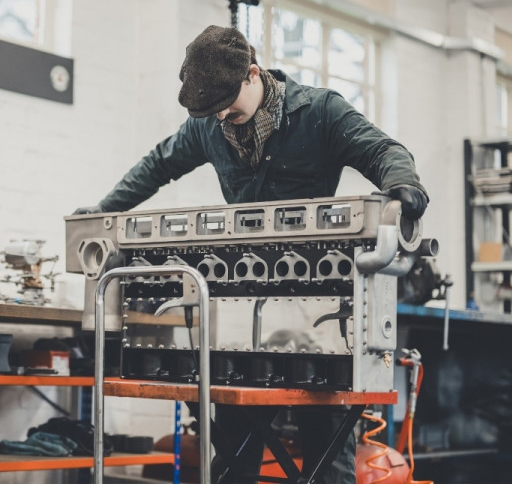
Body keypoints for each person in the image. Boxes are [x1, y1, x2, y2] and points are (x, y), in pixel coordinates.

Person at [73, 25, 429, 484]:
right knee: (234, 455)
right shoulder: (209, 125)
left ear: (253, 75)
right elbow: (158, 164)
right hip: (240, 303)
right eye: (212, 112)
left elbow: (383, 150)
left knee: (327, 454)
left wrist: (405, 184)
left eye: (227, 106)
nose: (221, 117)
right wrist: (104, 210)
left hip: (326, 304)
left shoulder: (320, 112)